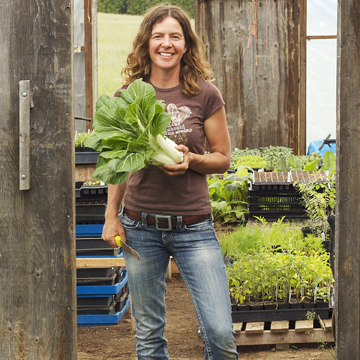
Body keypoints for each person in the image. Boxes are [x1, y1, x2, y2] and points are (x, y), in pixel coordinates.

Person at [102, 3, 239, 359]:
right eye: (158, 35)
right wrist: (110, 216)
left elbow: (223, 158)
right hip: (140, 227)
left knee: (220, 333)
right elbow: (116, 164)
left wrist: (191, 161)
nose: (166, 43)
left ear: (186, 44)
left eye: (175, 36)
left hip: (194, 228)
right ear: (146, 42)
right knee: (148, 336)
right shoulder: (128, 95)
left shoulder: (205, 94)